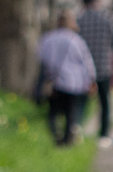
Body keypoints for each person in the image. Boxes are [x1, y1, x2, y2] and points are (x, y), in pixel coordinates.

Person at [37, 10, 96, 147]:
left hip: (53, 81)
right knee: (71, 113)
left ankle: (55, 137)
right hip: (74, 82)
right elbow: (86, 61)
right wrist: (91, 80)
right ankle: (67, 141)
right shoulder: (76, 40)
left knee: (52, 112)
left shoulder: (47, 38)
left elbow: (41, 58)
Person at [77, 0, 113, 149]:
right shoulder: (108, 18)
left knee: (81, 101)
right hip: (104, 66)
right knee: (104, 102)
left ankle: (76, 129)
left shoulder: (78, 20)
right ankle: (104, 135)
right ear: (97, 1)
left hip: (83, 68)